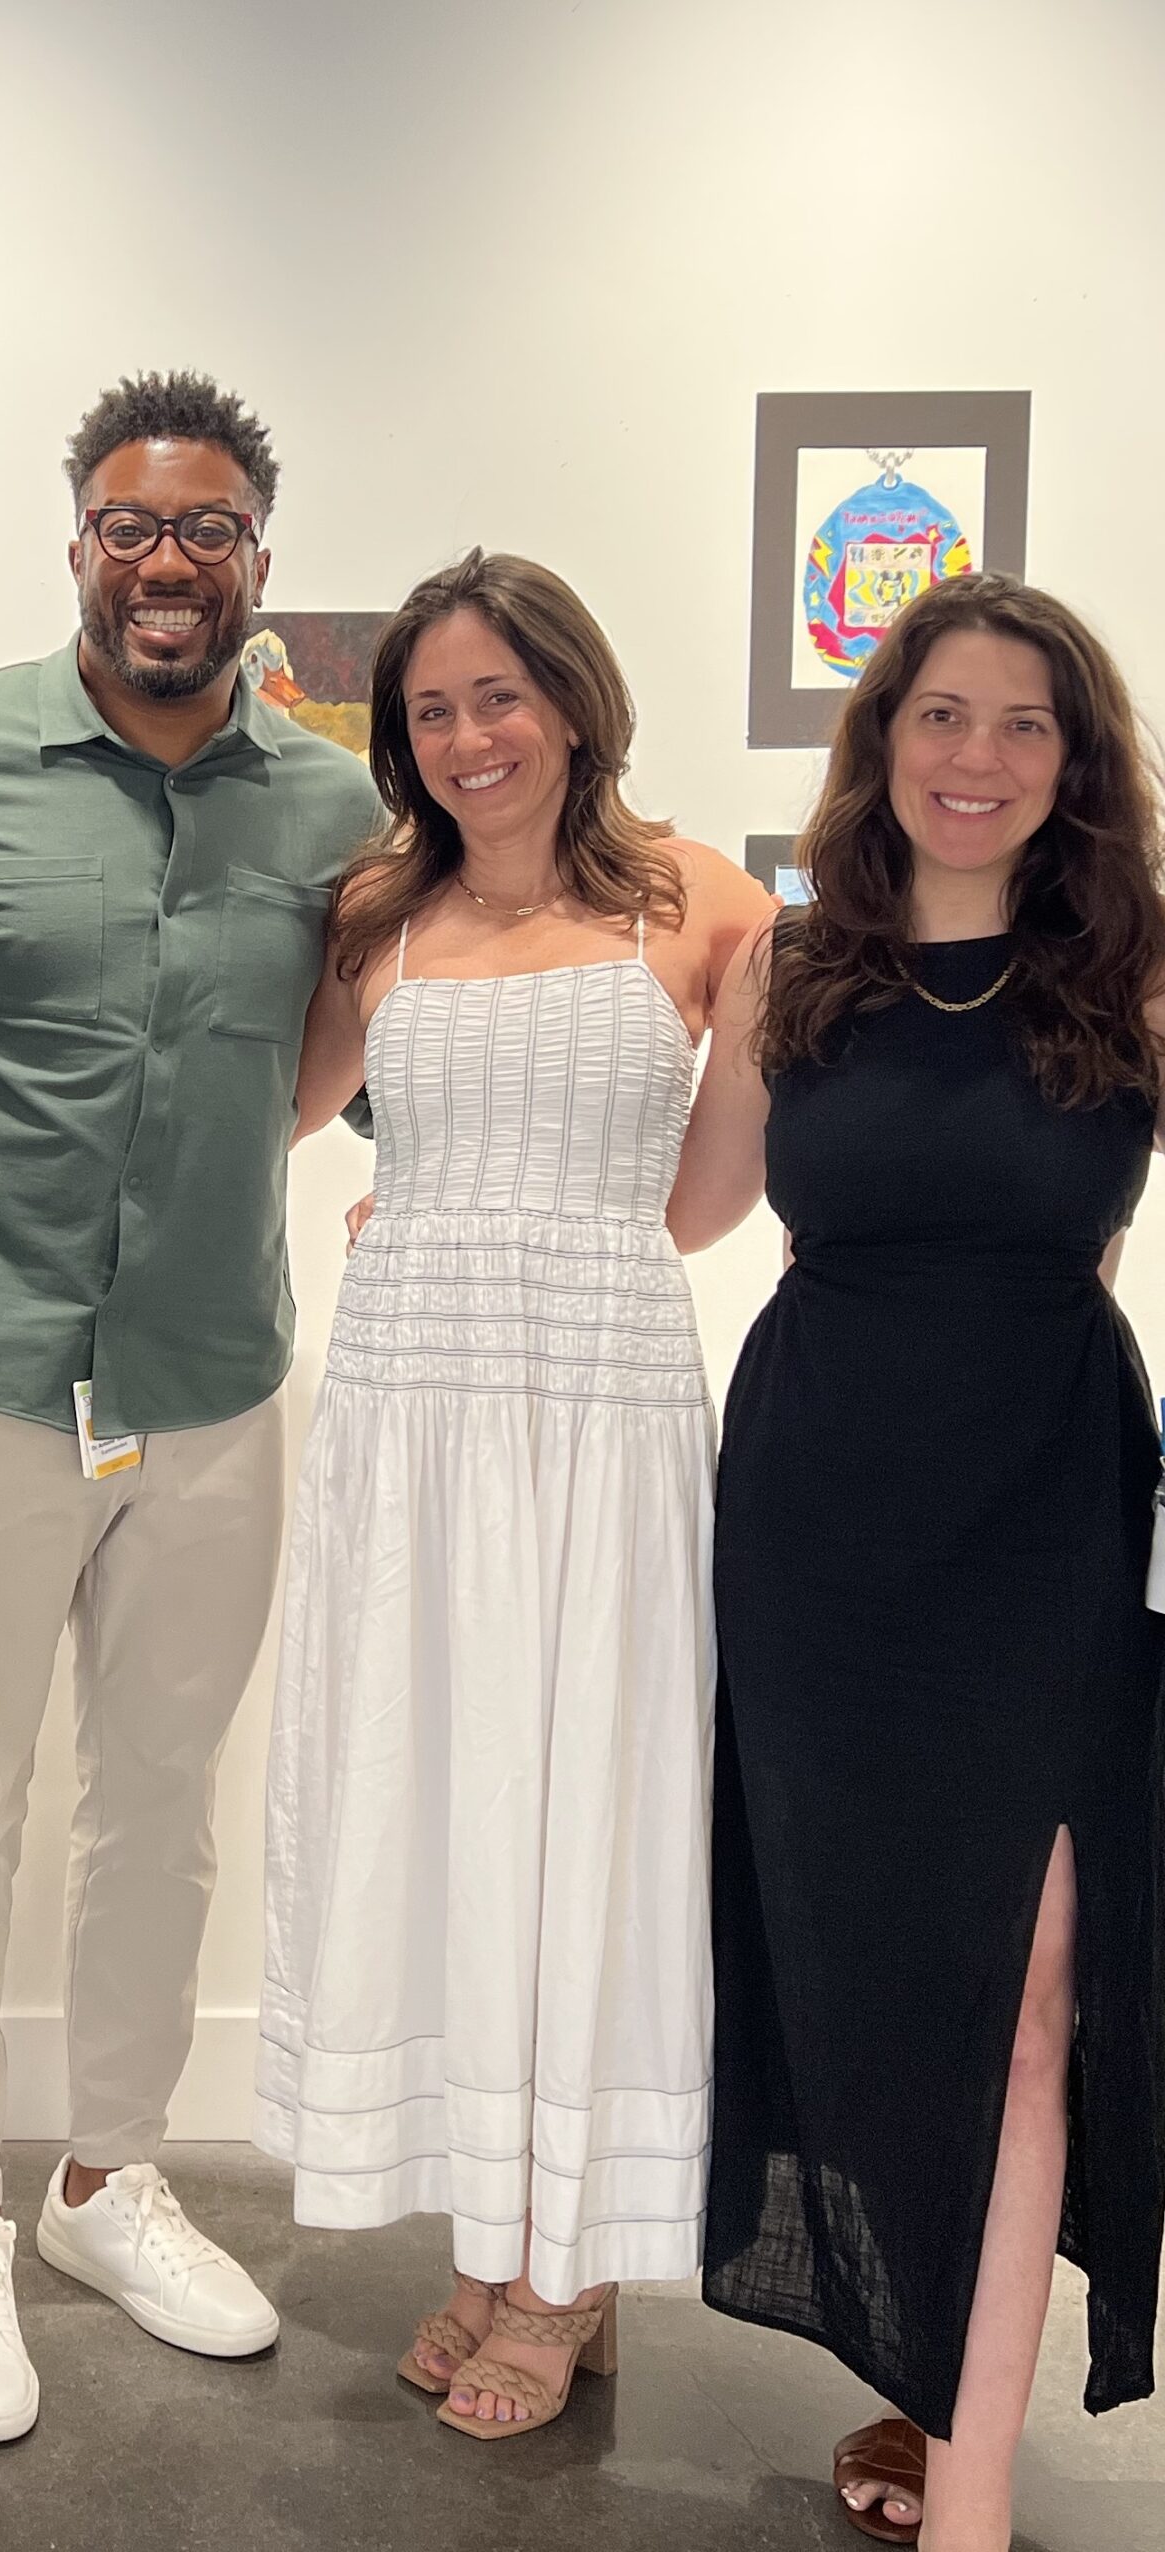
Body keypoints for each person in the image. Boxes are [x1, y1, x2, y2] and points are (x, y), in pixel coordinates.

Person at [0, 371, 373, 2444]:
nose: (170, 562)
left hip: (214, 1379)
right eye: (133, 527)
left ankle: (102, 2176)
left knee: (156, 1805)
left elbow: (363, 1051)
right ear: (76, 544)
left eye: (210, 529)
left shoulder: (330, 804)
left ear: (257, 559)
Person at [670, 573, 1165, 2550]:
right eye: (940, 715)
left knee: (1028, 1983)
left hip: (1044, 1507)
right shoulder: (780, 975)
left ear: (1073, 763)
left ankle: (969, 2491)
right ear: (878, 743)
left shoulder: (1128, 971)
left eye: (1022, 723)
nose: (976, 757)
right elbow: (685, 1203)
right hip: (814, 1521)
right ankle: (927, 2395)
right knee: (864, 1969)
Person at [265, 548, 769, 2441]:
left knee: (594, 1799)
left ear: (572, 698)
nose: (470, 736)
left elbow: (709, 1200)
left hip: (603, 1402)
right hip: (409, 1398)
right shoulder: (376, 911)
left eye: (500, 694)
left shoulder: (707, 903)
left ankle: (575, 2271)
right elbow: (289, 1108)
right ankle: (491, 2238)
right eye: (431, 709)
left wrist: (536, 1233)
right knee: (446, 1794)